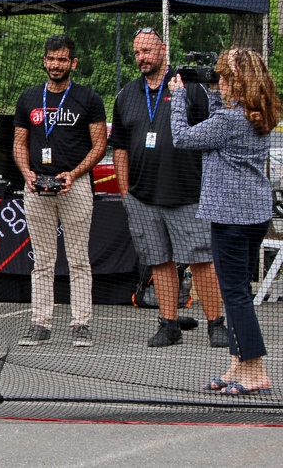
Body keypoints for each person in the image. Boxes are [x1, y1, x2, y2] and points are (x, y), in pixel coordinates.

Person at [170, 48, 281, 396]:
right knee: (239, 293)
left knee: (234, 295)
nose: (218, 83)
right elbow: (222, 115)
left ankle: (255, 370)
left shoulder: (231, 122)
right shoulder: (259, 114)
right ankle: (239, 364)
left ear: (239, 82)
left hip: (232, 217)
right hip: (253, 214)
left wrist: (177, 99)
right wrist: (218, 92)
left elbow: (182, 137)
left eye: (225, 78)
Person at [109, 27, 228, 348]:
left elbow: (214, 132)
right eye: (136, 53)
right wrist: (125, 191)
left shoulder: (190, 88)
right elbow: (118, 145)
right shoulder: (127, 95)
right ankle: (169, 323)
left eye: (147, 51)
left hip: (188, 193)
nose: (141, 58)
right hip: (143, 197)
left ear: (163, 49)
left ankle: (216, 324)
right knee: (159, 260)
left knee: (202, 259)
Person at [13, 34, 106, 348]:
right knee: (42, 261)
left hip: (75, 186)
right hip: (37, 186)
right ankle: (40, 324)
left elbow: (100, 145)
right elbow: (19, 142)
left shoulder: (88, 98)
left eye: (62, 59)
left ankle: (81, 324)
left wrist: (75, 173)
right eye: (51, 59)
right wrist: (26, 173)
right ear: (44, 60)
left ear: (73, 63)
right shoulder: (28, 98)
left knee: (78, 259)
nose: (56, 65)